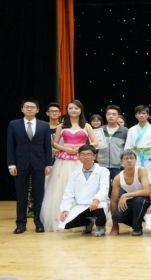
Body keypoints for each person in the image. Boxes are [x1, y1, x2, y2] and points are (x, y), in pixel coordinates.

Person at [40, 99, 98, 231]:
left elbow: (95, 142)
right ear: (67, 110)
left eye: (76, 108)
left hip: (81, 160)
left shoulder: (86, 126)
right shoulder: (61, 125)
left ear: (81, 110)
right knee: (62, 188)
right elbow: (54, 143)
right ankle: (61, 220)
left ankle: (83, 220)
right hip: (64, 161)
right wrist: (66, 148)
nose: (73, 110)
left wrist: (82, 148)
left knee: (82, 187)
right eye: (71, 108)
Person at [6, 97, 53, 233]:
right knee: (21, 195)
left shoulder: (44, 125)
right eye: (27, 107)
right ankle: (21, 224)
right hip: (20, 164)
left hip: (39, 164)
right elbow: (10, 145)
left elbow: (47, 147)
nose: (29, 109)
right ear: (22, 109)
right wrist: (11, 164)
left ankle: (39, 222)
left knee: (39, 194)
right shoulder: (14, 124)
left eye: (32, 107)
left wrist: (48, 164)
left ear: (37, 110)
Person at [57, 145, 110, 237]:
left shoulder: (103, 171)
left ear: (94, 156)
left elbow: (104, 188)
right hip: (82, 205)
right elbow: (69, 193)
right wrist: (65, 209)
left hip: (98, 203)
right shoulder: (75, 173)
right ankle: (89, 222)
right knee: (65, 223)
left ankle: (100, 226)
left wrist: (97, 199)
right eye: (83, 154)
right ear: (79, 156)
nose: (86, 157)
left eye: (89, 154)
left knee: (99, 208)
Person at [109, 150, 150, 236]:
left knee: (138, 201)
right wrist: (115, 226)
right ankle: (136, 222)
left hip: (145, 200)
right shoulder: (117, 178)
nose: (129, 160)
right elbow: (113, 201)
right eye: (126, 158)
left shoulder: (141, 170)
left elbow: (147, 191)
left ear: (135, 160)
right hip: (132, 200)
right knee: (116, 216)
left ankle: (137, 228)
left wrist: (126, 195)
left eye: (131, 158)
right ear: (122, 161)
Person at [124, 105, 151, 172]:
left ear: (148, 115)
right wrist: (127, 158)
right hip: (135, 156)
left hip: (150, 157)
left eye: (143, 113)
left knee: (149, 175)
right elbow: (128, 145)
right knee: (136, 175)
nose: (141, 115)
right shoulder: (131, 130)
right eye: (139, 113)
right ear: (136, 116)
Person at [97, 105, 129, 181]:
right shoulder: (100, 130)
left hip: (118, 165)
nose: (111, 116)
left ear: (118, 116)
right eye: (109, 114)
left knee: (117, 187)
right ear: (106, 115)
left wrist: (124, 163)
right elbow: (95, 147)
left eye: (114, 114)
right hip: (101, 165)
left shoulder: (125, 131)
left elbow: (127, 148)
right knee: (103, 187)